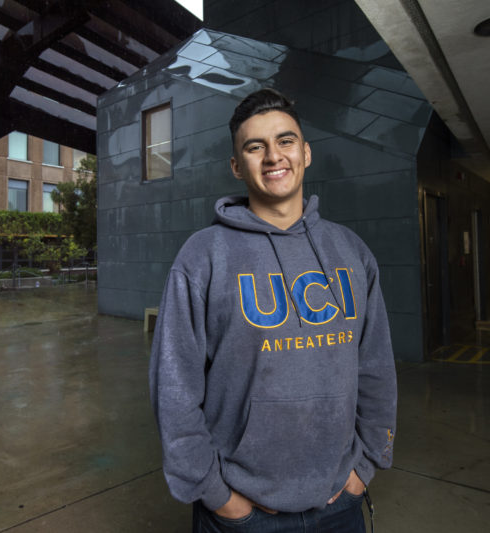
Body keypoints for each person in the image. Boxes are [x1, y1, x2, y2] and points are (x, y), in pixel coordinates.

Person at [148, 88, 397, 532]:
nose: (272, 156)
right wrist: (218, 495)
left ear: (305, 153)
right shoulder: (202, 256)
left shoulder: (352, 252)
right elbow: (174, 389)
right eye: (254, 146)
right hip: (241, 514)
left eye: (284, 141)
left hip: (341, 502)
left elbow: (375, 368)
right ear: (236, 166)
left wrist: (365, 469)